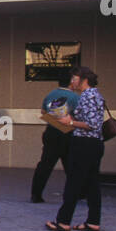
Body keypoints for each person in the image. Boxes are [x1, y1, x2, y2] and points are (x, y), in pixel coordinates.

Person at [45, 67, 105, 231]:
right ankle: (93, 220)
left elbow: (92, 124)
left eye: (74, 78)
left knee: (74, 182)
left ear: (83, 80)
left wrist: (69, 122)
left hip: (84, 143)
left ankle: (63, 221)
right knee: (92, 183)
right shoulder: (94, 95)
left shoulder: (88, 96)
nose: (72, 82)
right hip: (94, 144)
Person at [30, 71, 78, 203]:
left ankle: (36, 194)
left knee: (45, 164)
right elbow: (78, 116)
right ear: (71, 82)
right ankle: (75, 194)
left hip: (51, 132)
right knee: (71, 166)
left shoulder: (51, 95)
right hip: (68, 134)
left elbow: (43, 112)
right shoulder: (74, 97)